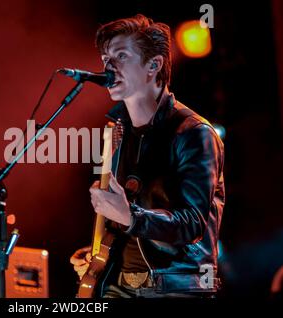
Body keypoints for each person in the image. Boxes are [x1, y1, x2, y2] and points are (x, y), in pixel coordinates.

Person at [70, 14, 225, 298]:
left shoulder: (194, 133)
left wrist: (130, 217)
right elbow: (126, 222)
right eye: (105, 58)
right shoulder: (117, 135)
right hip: (119, 286)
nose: (108, 66)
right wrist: (99, 254)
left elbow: (192, 224)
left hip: (174, 289)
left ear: (153, 65)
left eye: (120, 55)